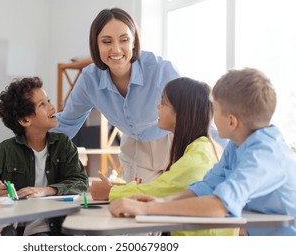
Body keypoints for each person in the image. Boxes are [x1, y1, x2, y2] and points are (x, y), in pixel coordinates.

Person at [109, 68, 296, 236]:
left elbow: (218, 206)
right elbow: (205, 187)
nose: (210, 114)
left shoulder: (264, 156)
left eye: (215, 109)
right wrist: (160, 202)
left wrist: (148, 210)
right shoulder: (238, 144)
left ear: (231, 122)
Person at [91, 77, 236, 236]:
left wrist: (111, 192)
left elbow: (159, 191)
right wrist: (115, 188)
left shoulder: (199, 155)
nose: (157, 106)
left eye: (164, 103)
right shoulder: (203, 148)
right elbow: (166, 186)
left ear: (180, 112)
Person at [52, 7, 181, 183]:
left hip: (172, 141)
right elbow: (68, 121)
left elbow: (196, 113)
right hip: (135, 147)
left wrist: (220, 151)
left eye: (124, 40)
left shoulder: (161, 70)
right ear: (96, 45)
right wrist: (27, 142)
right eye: (106, 42)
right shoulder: (90, 79)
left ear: (134, 41)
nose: (116, 49)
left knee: (178, 202)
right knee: (137, 203)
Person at [0, 76, 89, 236]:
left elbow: (81, 182)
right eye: (42, 105)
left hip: (51, 228)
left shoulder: (63, 144)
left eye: (48, 101)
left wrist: (47, 190)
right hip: (15, 230)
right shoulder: (4, 150)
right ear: (25, 120)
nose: (52, 107)